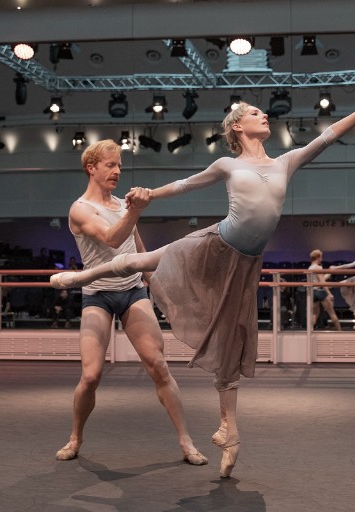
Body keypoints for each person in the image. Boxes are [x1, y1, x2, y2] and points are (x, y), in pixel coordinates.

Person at [51, 96, 355, 477]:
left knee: (232, 337)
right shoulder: (228, 164)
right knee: (142, 261)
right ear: (237, 126)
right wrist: (151, 196)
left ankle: (228, 432)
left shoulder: (285, 162)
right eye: (255, 113)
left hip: (246, 262)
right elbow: (186, 184)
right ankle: (79, 278)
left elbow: (328, 136)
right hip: (216, 242)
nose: (264, 114)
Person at [53, 139, 207, 467]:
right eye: (110, 165)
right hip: (97, 295)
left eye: (120, 165)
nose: (117, 171)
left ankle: (186, 441)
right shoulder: (80, 209)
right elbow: (111, 238)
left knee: (159, 366)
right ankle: (75, 437)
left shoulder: (123, 204)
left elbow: (136, 247)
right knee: (91, 375)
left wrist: (156, 285)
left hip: (132, 292)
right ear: (91, 168)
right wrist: (136, 209)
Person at [307, 249, 341, 331]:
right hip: (320, 292)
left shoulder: (309, 268)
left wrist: (329, 272)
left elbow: (320, 279)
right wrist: (329, 293)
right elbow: (322, 282)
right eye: (321, 257)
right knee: (331, 313)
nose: (322, 259)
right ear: (318, 257)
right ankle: (340, 332)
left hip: (313, 292)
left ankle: (309, 331)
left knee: (315, 314)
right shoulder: (319, 267)